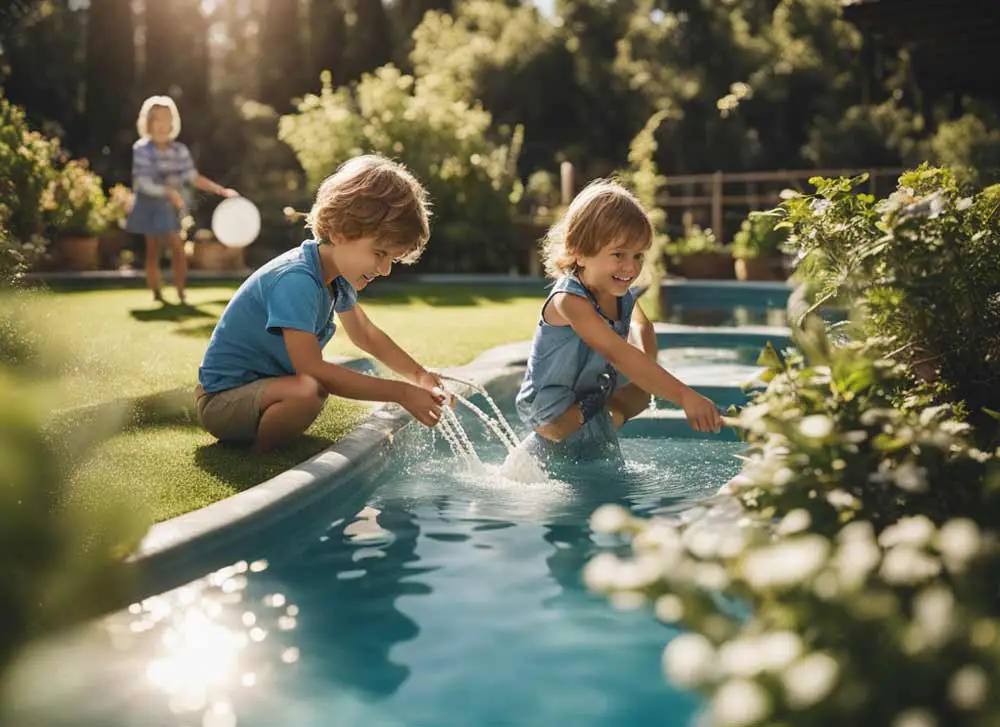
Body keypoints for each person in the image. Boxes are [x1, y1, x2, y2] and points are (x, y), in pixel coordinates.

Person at [196, 155, 446, 453]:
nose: (385, 269)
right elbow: (312, 368)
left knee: (308, 390)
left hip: (265, 391)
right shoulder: (297, 279)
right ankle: (260, 456)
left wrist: (419, 376)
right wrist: (401, 392)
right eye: (379, 253)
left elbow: (365, 333)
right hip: (223, 401)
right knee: (309, 390)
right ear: (340, 232)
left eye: (392, 259)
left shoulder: (334, 276)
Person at [514, 180, 723, 464]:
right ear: (579, 251)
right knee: (625, 381)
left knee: (641, 389)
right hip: (551, 411)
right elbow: (617, 353)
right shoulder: (569, 300)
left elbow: (641, 326)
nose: (631, 267)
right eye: (618, 255)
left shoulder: (619, 293)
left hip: (591, 395)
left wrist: (646, 365)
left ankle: (602, 417)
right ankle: (597, 417)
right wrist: (684, 395)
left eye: (638, 255)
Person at [126, 95, 238, 305]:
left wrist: (220, 190)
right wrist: (167, 191)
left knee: (178, 245)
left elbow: (192, 176)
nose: (162, 124)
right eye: (157, 119)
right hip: (150, 202)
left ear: (173, 122)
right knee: (153, 249)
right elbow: (143, 181)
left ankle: (180, 293)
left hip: (171, 205)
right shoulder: (141, 148)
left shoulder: (180, 150)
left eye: (166, 119)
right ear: (148, 122)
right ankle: (157, 292)